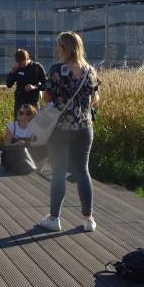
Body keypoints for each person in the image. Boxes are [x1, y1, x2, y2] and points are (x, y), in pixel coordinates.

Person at [37, 30, 100, 233]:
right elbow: (95, 99)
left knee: (58, 173)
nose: (56, 49)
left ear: (64, 48)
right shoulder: (90, 70)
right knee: (83, 171)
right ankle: (88, 219)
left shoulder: (57, 70)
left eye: (58, 45)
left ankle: (54, 218)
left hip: (60, 129)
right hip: (84, 128)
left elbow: (47, 97)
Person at [5, 49, 47, 120]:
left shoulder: (36, 67)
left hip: (33, 103)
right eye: (19, 63)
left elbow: (46, 84)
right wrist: (11, 72)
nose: (21, 65)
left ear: (27, 59)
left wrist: (34, 87)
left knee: (34, 128)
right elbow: (8, 84)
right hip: (19, 104)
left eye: (23, 63)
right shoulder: (17, 68)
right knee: (19, 127)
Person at [1, 104, 42, 175]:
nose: (18, 114)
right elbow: (6, 146)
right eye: (18, 111)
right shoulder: (11, 126)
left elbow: (38, 144)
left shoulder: (33, 128)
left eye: (21, 113)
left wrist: (27, 143)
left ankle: (38, 170)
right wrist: (15, 144)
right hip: (11, 157)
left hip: (26, 157)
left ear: (29, 117)